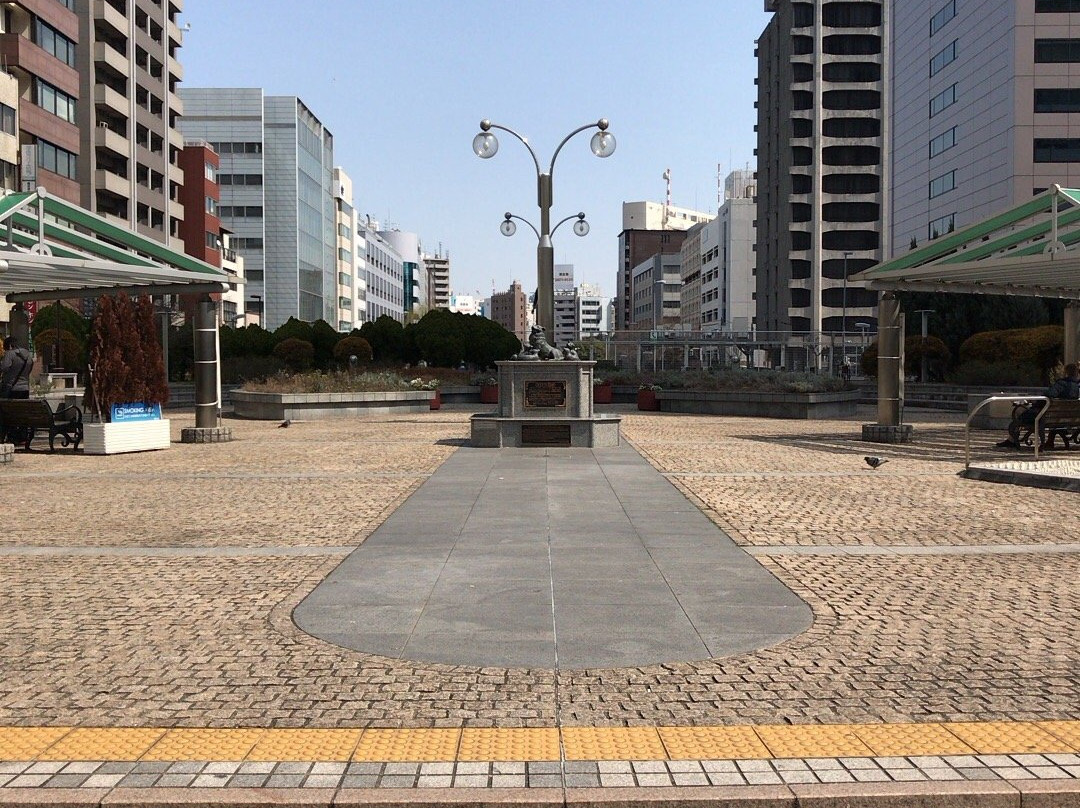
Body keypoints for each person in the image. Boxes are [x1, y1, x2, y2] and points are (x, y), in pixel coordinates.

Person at [999, 363, 1080, 448]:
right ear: (1076, 374)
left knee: (1018, 411)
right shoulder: (1076, 387)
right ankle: (1012, 440)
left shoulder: (1061, 384)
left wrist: (1033, 403)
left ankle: (1012, 440)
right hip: (1064, 418)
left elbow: (1047, 396)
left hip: (1044, 418)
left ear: (1066, 373)